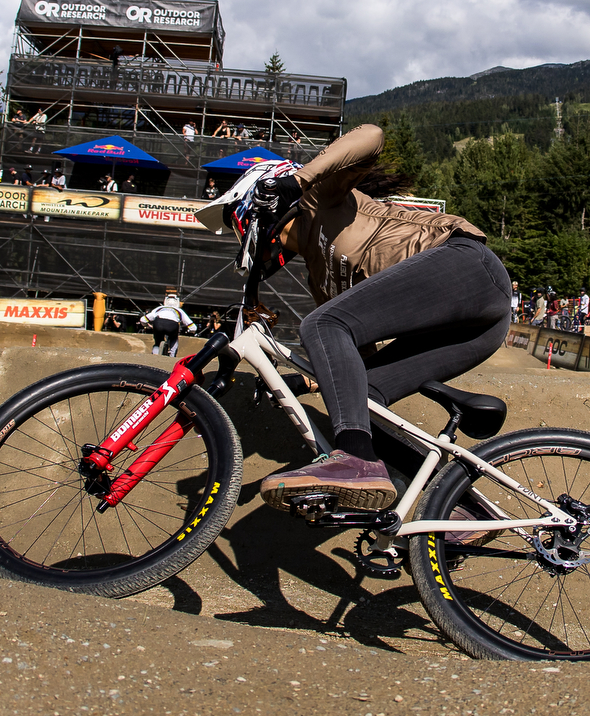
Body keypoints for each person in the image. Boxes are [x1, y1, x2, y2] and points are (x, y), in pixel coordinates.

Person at [197, 124, 508, 511]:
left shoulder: (319, 199)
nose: (239, 237)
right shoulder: (318, 275)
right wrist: (307, 380)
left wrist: (298, 181)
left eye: (235, 224)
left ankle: (355, 461)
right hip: (474, 330)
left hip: (467, 268)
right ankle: (461, 510)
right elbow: (352, 358)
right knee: (363, 402)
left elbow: (372, 136)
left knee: (322, 324)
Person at [139, 290, 194, 357]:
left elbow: (143, 320)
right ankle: (172, 355)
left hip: (158, 323)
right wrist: (189, 331)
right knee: (174, 339)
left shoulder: (159, 308)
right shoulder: (179, 311)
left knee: (157, 342)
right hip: (172, 325)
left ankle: (154, 356)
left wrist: (147, 326)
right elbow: (193, 327)